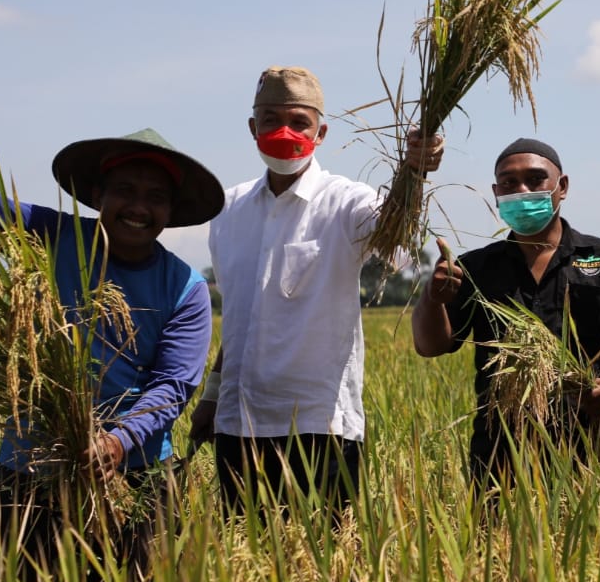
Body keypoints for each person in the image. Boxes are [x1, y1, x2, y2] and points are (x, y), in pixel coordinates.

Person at [0, 95, 222, 582]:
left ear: (170, 210)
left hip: (137, 476)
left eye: (156, 197)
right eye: (125, 190)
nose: (139, 207)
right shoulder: (50, 235)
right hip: (33, 468)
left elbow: (172, 386)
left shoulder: (184, 287)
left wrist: (116, 442)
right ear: (99, 194)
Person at [188, 66, 442, 515]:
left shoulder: (347, 202)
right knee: (249, 570)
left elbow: (395, 234)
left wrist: (413, 172)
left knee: (323, 572)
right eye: (270, 120)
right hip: (237, 423)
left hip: (318, 426)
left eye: (299, 122)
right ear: (253, 128)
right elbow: (239, 321)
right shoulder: (226, 209)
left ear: (320, 132)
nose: (284, 132)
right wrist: (211, 398)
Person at [411, 137, 600, 488]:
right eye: (509, 183)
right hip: (502, 447)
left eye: (535, 179)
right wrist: (433, 298)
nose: (522, 190)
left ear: (562, 187)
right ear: (497, 193)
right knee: (500, 540)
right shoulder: (475, 268)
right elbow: (431, 345)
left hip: (593, 439)